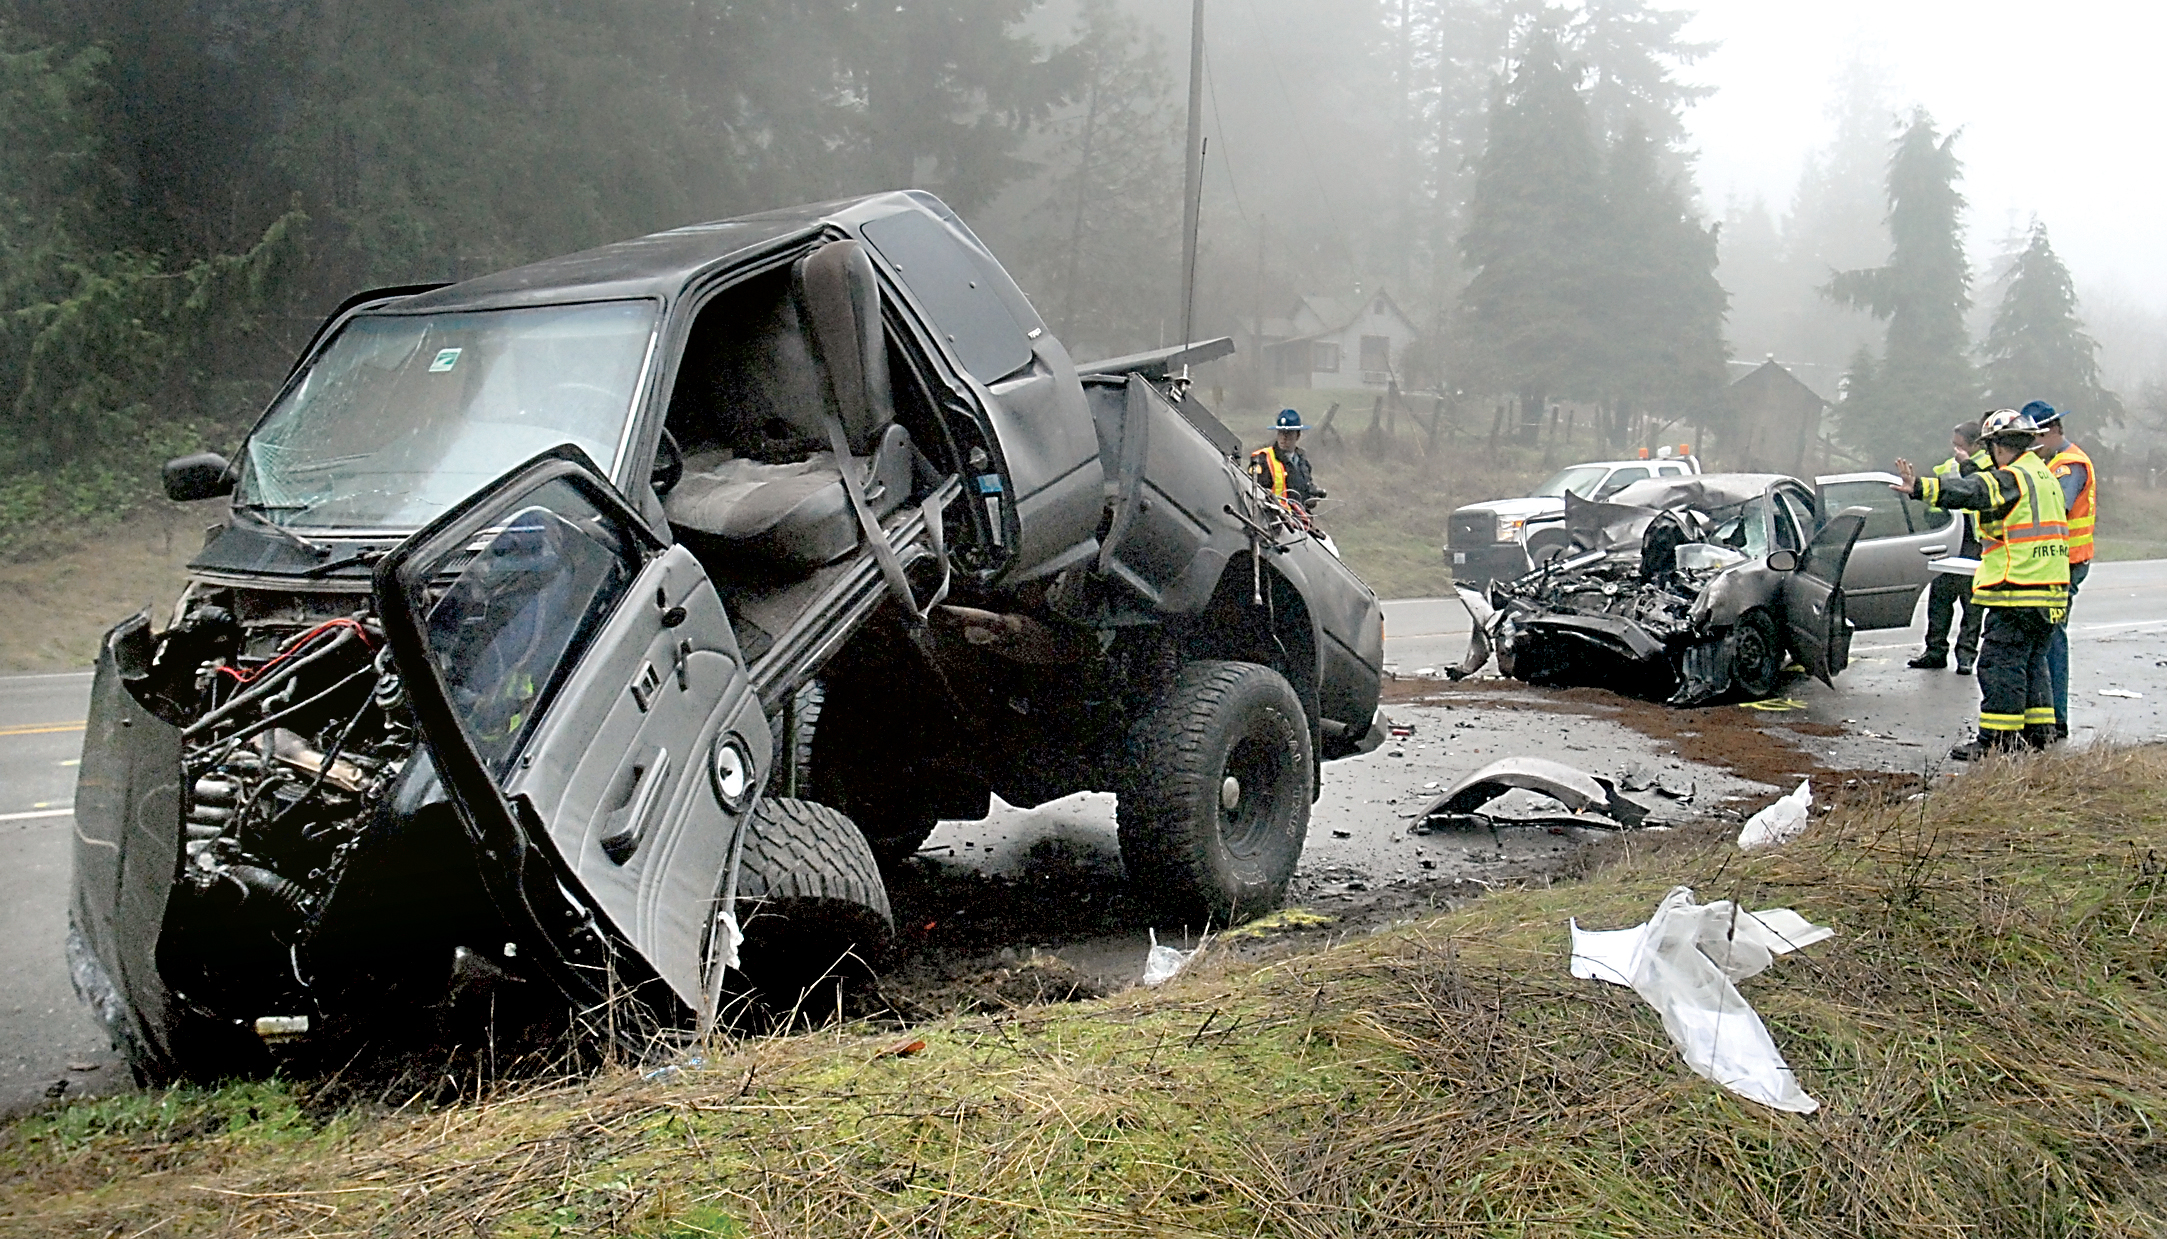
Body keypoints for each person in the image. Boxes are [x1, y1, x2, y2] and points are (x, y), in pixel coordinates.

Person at [1892, 408, 2070, 760]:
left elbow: (1976, 491)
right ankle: (2039, 733)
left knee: (1999, 664)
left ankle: (1997, 741)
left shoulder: (2014, 477)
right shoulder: (2042, 476)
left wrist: (1922, 488)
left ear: (1999, 447)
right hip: (2048, 592)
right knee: (2032, 663)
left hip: (2018, 590)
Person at [2026, 400, 2095, 741]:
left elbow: (2058, 508)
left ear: (2051, 431)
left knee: (2052, 637)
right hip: (2059, 561)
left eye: (2035, 437)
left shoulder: (2068, 466)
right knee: (2045, 636)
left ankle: (2056, 717)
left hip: (2067, 563)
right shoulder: (2054, 463)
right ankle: (2047, 715)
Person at [1909, 420, 1989, 672]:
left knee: (1972, 603)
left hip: (1975, 541)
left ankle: (1966, 656)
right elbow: (1934, 499)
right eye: (1953, 445)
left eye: (1960, 445)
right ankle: (1935, 651)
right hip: (1948, 538)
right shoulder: (1946, 467)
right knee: (1940, 599)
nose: (1955, 450)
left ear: (1977, 444)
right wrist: (1934, 517)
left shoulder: (1989, 466)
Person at [1249, 408, 1325, 505]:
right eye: (1281, 433)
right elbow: (1254, 492)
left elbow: (1304, 489)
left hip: (1297, 517)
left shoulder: (1302, 461)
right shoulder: (1263, 459)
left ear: (1297, 436)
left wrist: (1311, 498)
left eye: (1289, 434)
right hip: (1272, 517)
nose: (1284, 438)